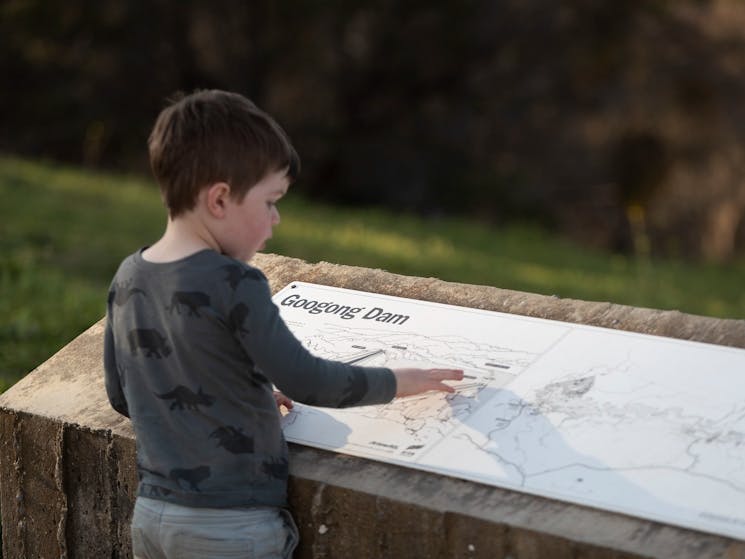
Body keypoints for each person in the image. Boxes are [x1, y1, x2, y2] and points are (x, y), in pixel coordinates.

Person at [103, 89, 463, 559]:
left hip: (152, 519)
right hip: (231, 531)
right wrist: (398, 381)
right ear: (219, 199)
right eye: (271, 202)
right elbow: (307, 381)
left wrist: (234, 400)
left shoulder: (129, 275)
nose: (274, 221)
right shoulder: (236, 281)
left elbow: (121, 394)